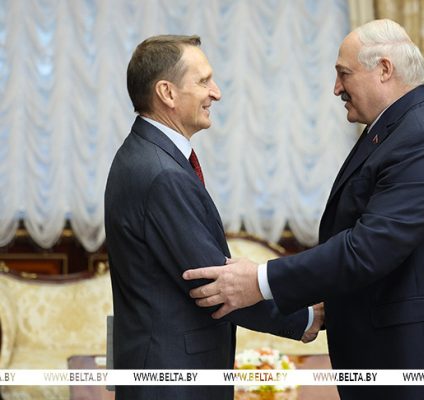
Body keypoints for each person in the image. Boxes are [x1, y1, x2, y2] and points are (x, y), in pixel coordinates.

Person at [183, 20, 424, 400]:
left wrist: (260, 280)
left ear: (384, 69)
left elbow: (368, 247)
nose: (336, 88)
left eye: (344, 74)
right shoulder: (396, 129)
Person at [104, 35, 321, 400]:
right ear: (167, 93)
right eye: (204, 81)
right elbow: (215, 286)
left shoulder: (144, 154)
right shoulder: (162, 174)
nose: (216, 93)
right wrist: (308, 317)